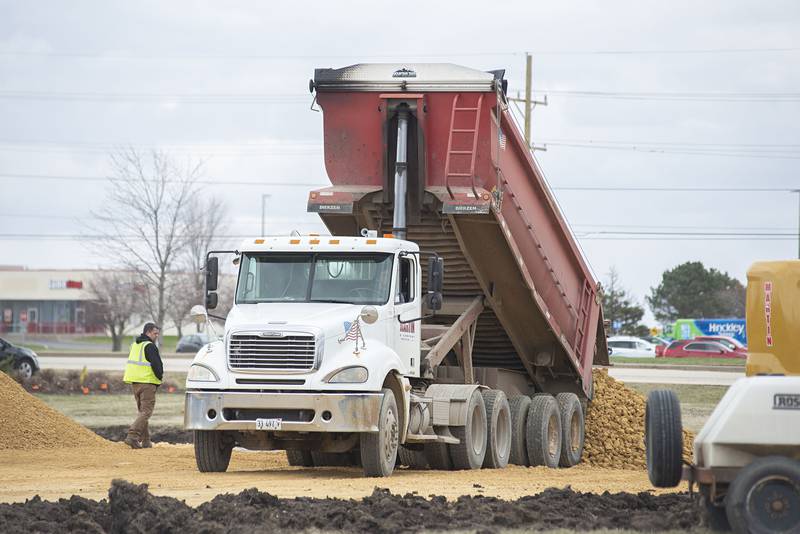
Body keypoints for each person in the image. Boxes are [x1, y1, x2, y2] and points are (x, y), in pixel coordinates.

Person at [122, 323, 163, 449]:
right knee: (146, 412)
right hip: (147, 383)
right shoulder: (150, 346)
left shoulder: (135, 345)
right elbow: (157, 365)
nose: (157, 336)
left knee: (142, 413)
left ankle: (146, 441)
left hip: (135, 383)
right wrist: (160, 378)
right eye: (155, 333)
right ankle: (132, 436)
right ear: (148, 332)